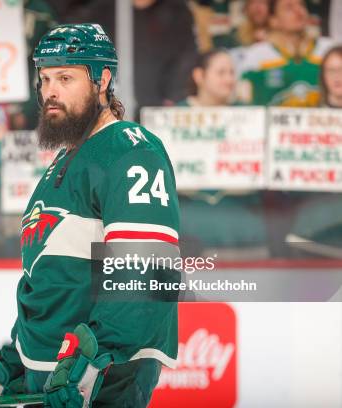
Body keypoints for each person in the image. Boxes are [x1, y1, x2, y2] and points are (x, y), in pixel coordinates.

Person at [0, 24, 179, 408]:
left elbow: (145, 273)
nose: (50, 91)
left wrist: (92, 362)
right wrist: (13, 363)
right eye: (44, 79)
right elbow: (48, 278)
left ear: (102, 79)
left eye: (65, 78)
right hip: (56, 377)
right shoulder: (66, 157)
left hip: (103, 378)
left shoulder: (130, 151)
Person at [175, 50, 269, 259]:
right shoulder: (172, 118)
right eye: (221, 72)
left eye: (232, 73)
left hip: (241, 218)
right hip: (187, 216)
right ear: (199, 76)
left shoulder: (248, 116)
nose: (229, 79)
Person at [285, 45, 342, 257]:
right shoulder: (306, 122)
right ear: (323, 76)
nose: (338, 77)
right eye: (332, 70)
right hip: (317, 208)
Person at [237, 0, 336, 106]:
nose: (298, 11)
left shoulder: (328, 49)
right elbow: (243, 103)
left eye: (301, 5)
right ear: (273, 20)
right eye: (289, 8)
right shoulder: (257, 55)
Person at [132, 0, 199, 111]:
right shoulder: (104, 9)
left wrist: (174, 96)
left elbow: (188, 56)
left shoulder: (177, 9)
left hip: (166, 105)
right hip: (122, 102)